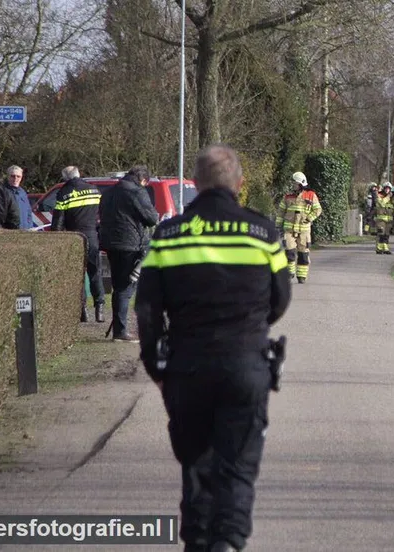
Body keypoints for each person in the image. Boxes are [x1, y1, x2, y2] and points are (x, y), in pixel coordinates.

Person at [135, 144, 291, 552]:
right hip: (245, 365)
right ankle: (228, 541)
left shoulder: (167, 236)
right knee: (237, 466)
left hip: (187, 367)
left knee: (196, 466)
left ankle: (199, 542)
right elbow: (280, 299)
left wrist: (156, 365)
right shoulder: (263, 233)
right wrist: (250, 329)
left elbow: (147, 308)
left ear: (195, 185)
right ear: (239, 184)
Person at [98, 165, 158, 342]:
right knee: (126, 287)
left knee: (118, 286)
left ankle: (119, 327)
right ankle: (121, 331)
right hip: (130, 244)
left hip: (110, 243)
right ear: (143, 180)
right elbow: (151, 218)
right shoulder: (137, 192)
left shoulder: (109, 192)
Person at [51, 166, 105, 323]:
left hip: (74, 238)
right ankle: (100, 308)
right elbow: (101, 215)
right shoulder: (94, 190)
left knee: (78, 275)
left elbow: (58, 221)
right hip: (92, 236)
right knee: (95, 272)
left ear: (65, 178)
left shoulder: (64, 193)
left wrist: (57, 240)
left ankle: (83, 311)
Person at [276, 171, 322, 283]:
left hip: (304, 230)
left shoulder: (311, 195)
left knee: (303, 254)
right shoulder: (287, 196)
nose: (293, 185)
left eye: (295, 183)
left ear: (301, 184)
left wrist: (309, 218)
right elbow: (281, 212)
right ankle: (289, 273)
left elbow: (317, 209)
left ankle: (301, 276)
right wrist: (278, 226)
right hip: (289, 229)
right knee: (289, 251)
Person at [0, 163, 20, 229]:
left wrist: (8, 234)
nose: (15, 178)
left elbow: (14, 216)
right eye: (13, 176)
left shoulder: (4, 193)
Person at [374, 183, 394, 254]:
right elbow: (382, 203)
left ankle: (385, 248)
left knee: (386, 235)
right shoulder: (379, 195)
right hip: (381, 220)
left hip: (389, 220)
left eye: (388, 188)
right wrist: (388, 197)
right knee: (381, 234)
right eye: (386, 188)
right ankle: (379, 249)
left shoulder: (391, 198)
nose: (387, 190)